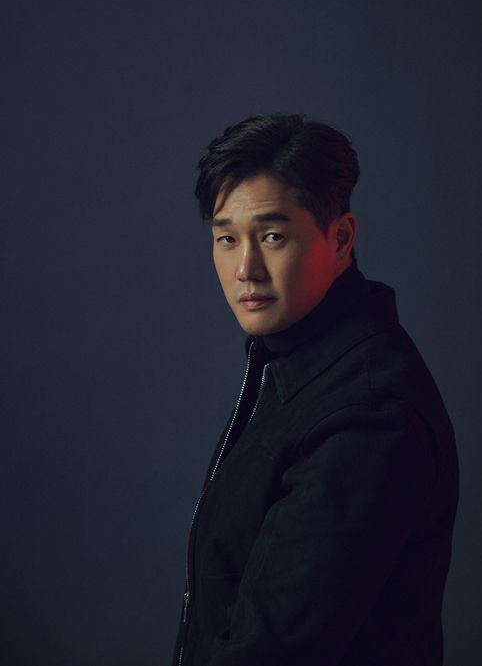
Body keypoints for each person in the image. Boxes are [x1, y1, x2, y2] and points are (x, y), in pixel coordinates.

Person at [172, 114, 459, 666]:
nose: (245, 269)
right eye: (227, 239)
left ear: (341, 238)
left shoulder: (368, 413)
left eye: (272, 237)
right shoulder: (292, 363)